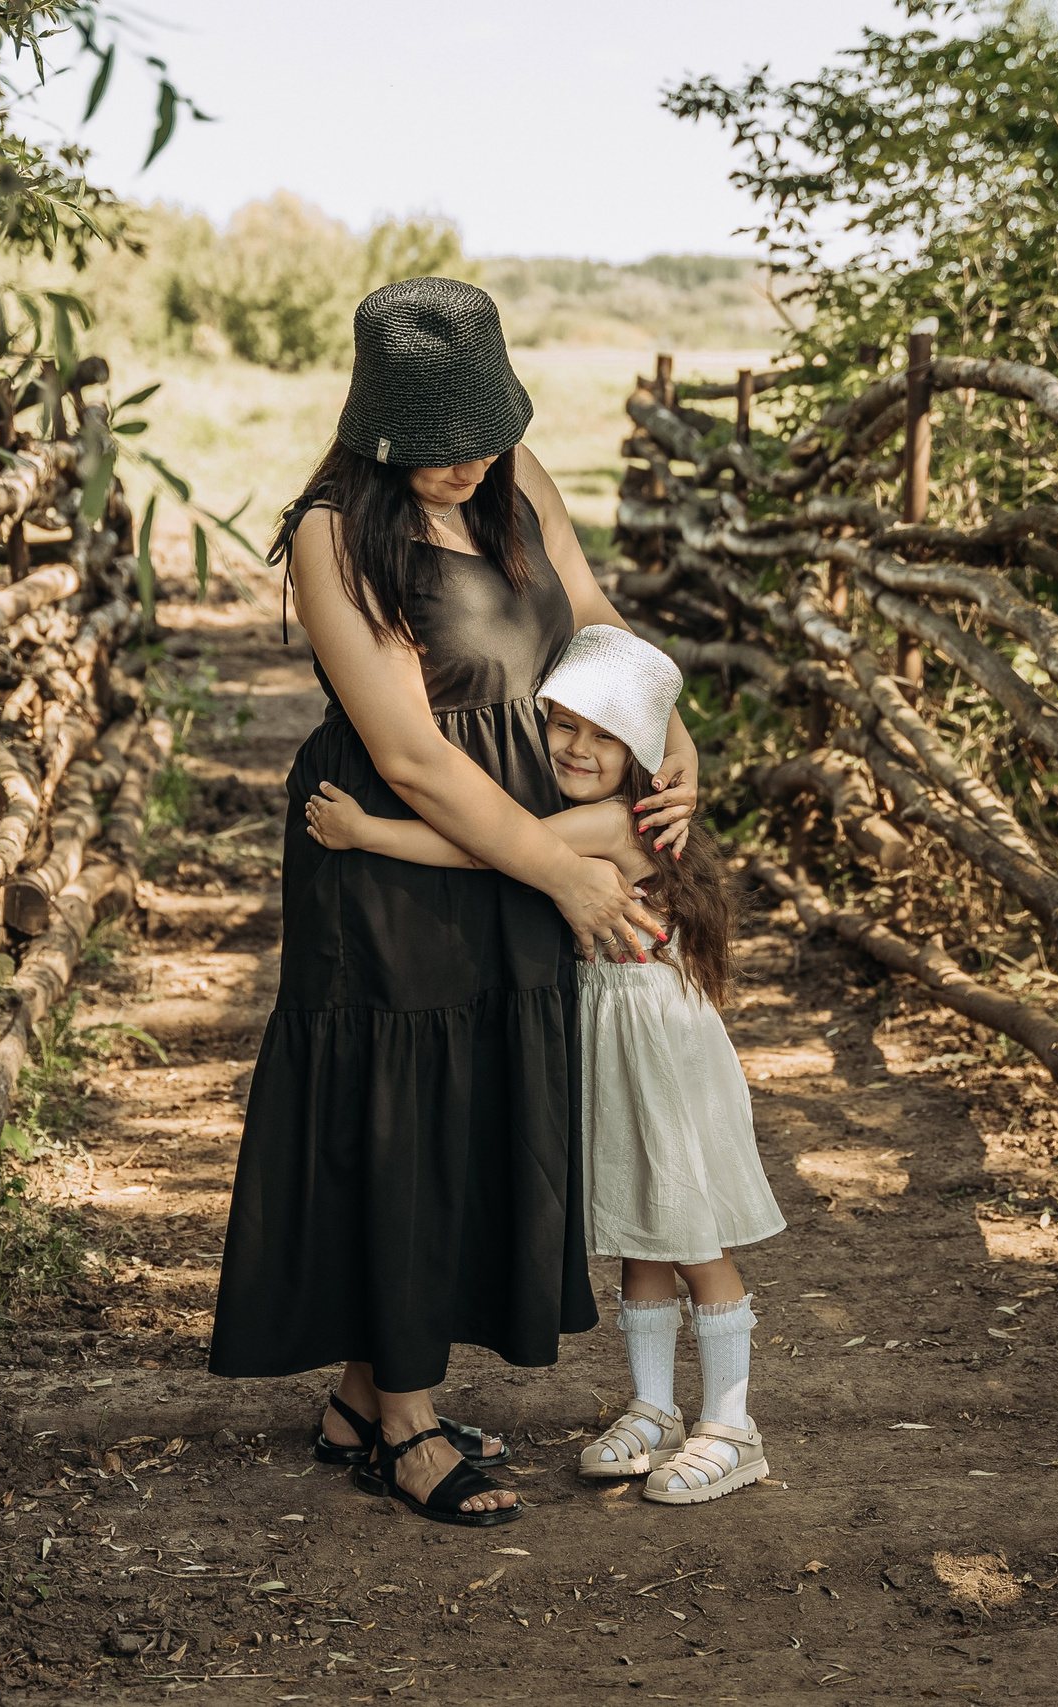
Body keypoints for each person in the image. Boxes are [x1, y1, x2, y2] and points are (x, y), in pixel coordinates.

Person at [207, 278, 703, 1528]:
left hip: (507, 837)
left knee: (470, 1092)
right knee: (401, 1110)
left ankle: (357, 1397)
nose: (465, 466)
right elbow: (415, 754)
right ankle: (405, 1427)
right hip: (397, 855)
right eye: (437, 451)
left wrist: (668, 723)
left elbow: (588, 620)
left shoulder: (511, 471)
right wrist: (566, 872)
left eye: (481, 437)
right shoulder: (334, 532)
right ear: (376, 430)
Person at [304, 624, 784, 1505]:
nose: (577, 747)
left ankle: (732, 1422)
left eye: (604, 736)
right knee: (644, 1232)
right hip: (626, 1044)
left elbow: (486, 846)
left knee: (692, 1237)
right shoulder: (612, 808)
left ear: (640, 751)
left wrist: (367, 830)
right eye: (563, 725)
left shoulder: (612, 821)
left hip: (664, 1059)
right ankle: (652, 1408)